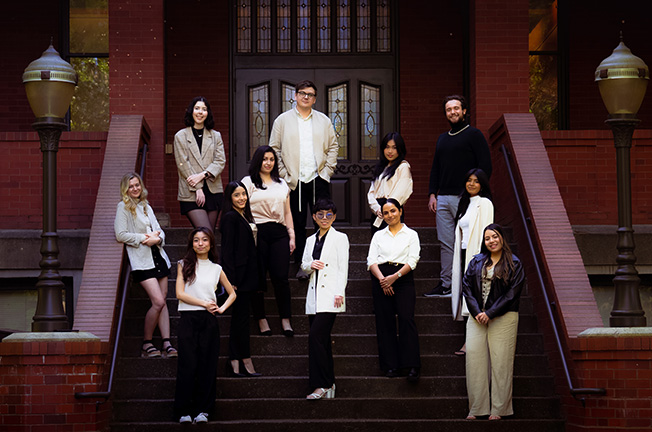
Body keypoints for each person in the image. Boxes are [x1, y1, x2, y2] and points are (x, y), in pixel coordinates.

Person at [269, 80, 339, 279]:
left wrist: (326, 173)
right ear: (295, 96)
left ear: (315, 99)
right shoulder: (282, 120)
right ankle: (302, 265)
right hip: (294, 181)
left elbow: (334, 147)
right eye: (302, 93)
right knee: (297, 225)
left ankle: (323, 263)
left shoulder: (323, 120)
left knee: (322, 223)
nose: (306, 97)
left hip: (318, 179)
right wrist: (283, 174)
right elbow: (274, 148)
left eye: (310, 94)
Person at [425, 95, 492, 298]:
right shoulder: (442, 139)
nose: (452, 112)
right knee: (446, 243)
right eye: (448, 109)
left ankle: (471, 284)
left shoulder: (474, 135)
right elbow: (436, 168)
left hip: (466, 198)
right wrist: (432, 194)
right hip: (443, 198)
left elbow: (485, 166)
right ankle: (447, 284)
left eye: (456, 108)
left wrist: (475, 192)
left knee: (471, 241)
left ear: (464, 111)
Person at [174, 227, 237, 424]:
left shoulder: (216, 268)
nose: (200, 243)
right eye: (196, 240)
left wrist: (221, 308)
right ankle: (183, 411)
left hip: (209, 321)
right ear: (191, 243)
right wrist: (205, 303)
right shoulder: (183, 264)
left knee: (207, 366)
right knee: (188, 365)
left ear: (210, 243)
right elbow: (179, 294)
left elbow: (233, 293)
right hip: (188, 319)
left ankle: (203, 410)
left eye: (204, 240)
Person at [462, 224, 524, 421]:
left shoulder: (514, 263)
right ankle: (476, 408)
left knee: (501, 363)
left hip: (504, 317)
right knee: (474, 361)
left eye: (495, 237)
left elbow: (512, 294)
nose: (492, 241)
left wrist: (489, 313)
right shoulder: (476, 262)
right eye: (488, 238)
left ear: (502, 238)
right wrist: (477, 312)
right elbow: (466, 288)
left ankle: (499, 409)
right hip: (477, 317)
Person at [114, 172, 176, 359]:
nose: (135, 189)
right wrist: (144, 239)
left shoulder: (146, 206)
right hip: (142, 261)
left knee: (163, 301)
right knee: (157, 301)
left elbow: (160, 232)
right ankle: (146, 343)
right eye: (131, 186)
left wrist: (157, 239)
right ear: (125, 189)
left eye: (137, 185)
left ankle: (166, 342)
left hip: (158, 257)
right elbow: (121, 234)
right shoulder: (123, 207)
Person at [242, 145, 296, 337]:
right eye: (265, 159)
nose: (268, 163)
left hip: (279, 232)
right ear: (258, 160)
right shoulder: (248, 182)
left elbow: (288, 212)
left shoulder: (282, 184)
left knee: (281, 277)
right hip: (257, 232)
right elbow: (241, 209)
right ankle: (261, 318)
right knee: (258, 278)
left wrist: (292, 235)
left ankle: (285, 318)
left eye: (272, 159)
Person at [367, 199, 421, 381]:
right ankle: (391, 366)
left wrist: (394, 277)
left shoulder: (411, 234)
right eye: (386, 212)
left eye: (393, 211)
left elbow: (413, 260)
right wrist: (383, 280)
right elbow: (371, 261)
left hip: (402, 278)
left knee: (406, 319)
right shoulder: (378, 236)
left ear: (400, 211)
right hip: (380, 277)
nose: (390, 215)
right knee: (385, 322)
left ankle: (411, 365)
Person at [300, 199, 349, 400]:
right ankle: (329, 384)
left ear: (334, 217)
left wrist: (340, 292)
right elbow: (303, 265)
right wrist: (312, 264)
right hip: (314, 296)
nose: (325, 218)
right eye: (320, 214)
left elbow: (342, 267)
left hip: (331, 296)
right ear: (314, 217)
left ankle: (320, 385)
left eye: (329, 214)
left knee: (316, 338)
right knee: (323, 341)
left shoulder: (340, 238)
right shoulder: (311, 240)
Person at [220, 181, 262, 377]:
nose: (242, 198)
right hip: (238, 280)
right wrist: (231, 281)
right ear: (230, 198)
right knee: (240, 321)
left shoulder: (243, 216)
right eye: (237, 195)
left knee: (241, 320)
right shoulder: (230, 218)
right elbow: (227, 251)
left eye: (243, 194)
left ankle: (237, 358)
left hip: (248, 278)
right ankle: (241, 359)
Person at [451, 169, 493, 356]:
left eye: (476, 181)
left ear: (482, 184)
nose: (472, 184)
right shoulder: (465, 203)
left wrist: (483, 259)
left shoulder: (485, 203)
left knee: (475, 297)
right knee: (466, 294)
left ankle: (471, 343)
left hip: (477, 255)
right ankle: (472, 340)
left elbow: (488, 232)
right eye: (469, 180)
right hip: (462, 253)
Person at [174, 96, 226, 230]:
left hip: (213, 190)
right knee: (204, 232)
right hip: (190, 192)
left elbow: (220, 161)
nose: (200, 112)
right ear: (191, 111)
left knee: (209, 236)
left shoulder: (216, 136)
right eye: (197, 108)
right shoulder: (181, 136)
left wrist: (202, 175)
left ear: (208, 113)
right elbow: (183, 164)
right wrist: (198, 188)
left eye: (204, 109)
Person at [367, 132, 413, 233]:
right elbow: (372, 192)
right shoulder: (381, 168)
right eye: (387, 147)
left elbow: (402, 191)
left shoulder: (403, 167)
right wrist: (377, 208)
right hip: (378, 212)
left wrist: (388, 209)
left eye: (394, 147)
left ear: (400, 149)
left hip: (392, 212)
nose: (390, 151)